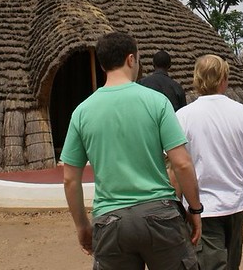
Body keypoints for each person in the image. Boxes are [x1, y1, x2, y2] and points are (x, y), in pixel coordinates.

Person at [61, 31, 201, 269]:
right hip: (160, 215)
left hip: (109, 220)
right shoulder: (156, 102)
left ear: (103, 65)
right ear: (131, 59)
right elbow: (182, 163)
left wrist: (82, 225)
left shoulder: (82, 112)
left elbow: (70, 179)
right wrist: (195, 209)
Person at [175, 54, 243, 270]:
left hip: (202, 208)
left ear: (196, 79)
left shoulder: (183, 117)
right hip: (235, 204)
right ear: (224, 78)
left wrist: (176, 206)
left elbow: (176, 166)